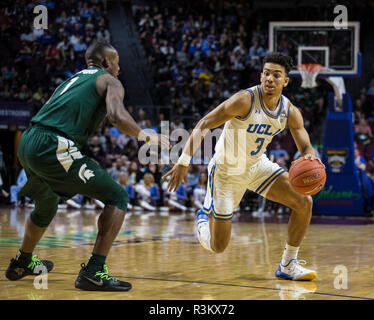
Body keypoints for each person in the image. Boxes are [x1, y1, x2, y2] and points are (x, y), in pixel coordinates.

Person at [5, 41, 170, 291]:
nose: (119, 67)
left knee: (47, 203)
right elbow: (116, 116)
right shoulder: (109, 80)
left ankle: (22, 261)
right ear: (105, 63)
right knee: (117, 196)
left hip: (29, 140)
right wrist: (148, 136)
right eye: (116, 61)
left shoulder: (73, 80)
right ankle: (93, 272)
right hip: (53, 143)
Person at [163, 52, 324, 281]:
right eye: (266, 73)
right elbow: (205, 123)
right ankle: (202, 218)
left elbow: (306, 146)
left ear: (285, 81)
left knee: (304, 202)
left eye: (276, 75)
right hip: (226, 172)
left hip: (257, 165)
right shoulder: (244, 100)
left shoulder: (289, 111)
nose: (270, 78)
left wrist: (312, 159)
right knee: (219, 246)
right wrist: (183, 161)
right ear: (261, 76)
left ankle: (288, 264)